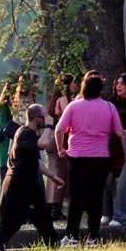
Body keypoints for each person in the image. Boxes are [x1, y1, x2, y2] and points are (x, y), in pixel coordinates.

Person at [55, 72, 122, 245]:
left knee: (75, 199)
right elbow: (119, 132)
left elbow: (59, 130)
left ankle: (72, 237)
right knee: (96, 199)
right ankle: (93, 237)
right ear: (101, 89)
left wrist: (61, 149)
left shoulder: (73, 107)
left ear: (84, 88)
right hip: (101, 158)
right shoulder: (109, 107)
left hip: (77, 157)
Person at [0, 104, 64, 251]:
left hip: (30, 184)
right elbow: (44, 144)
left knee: (43, 218)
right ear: (37, 119)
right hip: (17, 185)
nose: (47, 120)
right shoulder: (24, 133)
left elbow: (36, 161)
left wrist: (52, 176)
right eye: (45, 117)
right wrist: (49, 127)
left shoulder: (30, 135)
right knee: (11, 221)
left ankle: (54, 247)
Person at [102, 74, 126, 228]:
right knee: (107, 180)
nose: (119, 86)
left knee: (123, 181)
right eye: (117, 83)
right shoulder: (111, 103)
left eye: (122, 84)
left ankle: (120, 217)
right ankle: (107, 214)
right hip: (111, 142)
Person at [45, 74, 77, 221]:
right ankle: (56, 210)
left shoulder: (55, 99)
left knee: (53, 174)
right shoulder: (64, 99)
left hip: (51, 137)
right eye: (73, 84)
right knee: (60, 174)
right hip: (60, 138)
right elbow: (67, 118)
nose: (74, 86)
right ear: (67, 85)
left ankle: (51, 208)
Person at [0, 83, 14, 182]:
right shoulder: (4, 107)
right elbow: (6, 127)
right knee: (5, 181)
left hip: (7, 147)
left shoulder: (6, 106)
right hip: (5, 147)